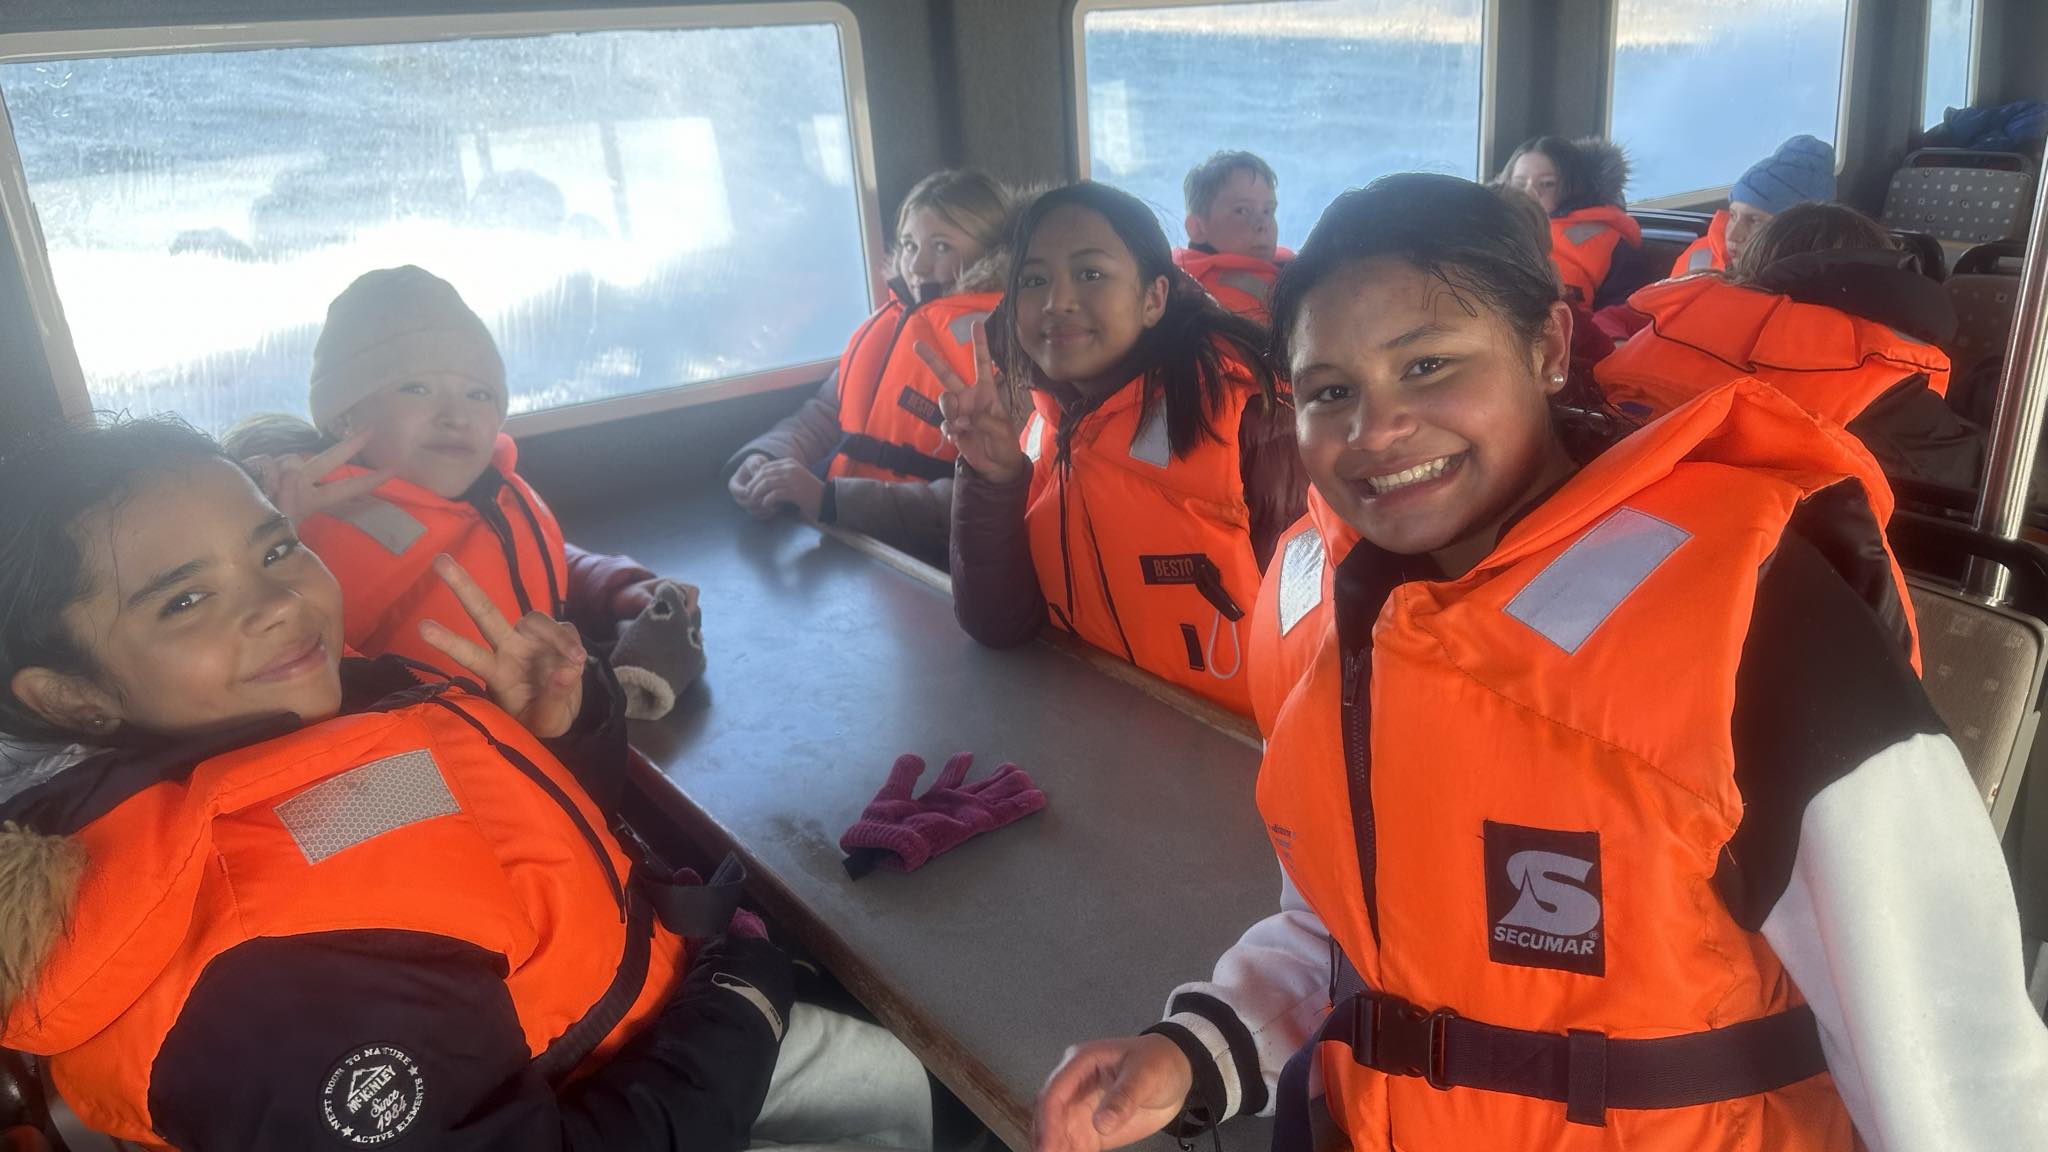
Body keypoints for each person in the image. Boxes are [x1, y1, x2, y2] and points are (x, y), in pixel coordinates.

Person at [1033, 174, 2048, 1152]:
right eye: (1329, 390)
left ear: (1550, 345)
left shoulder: (1758, 616)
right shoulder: (1327, 614)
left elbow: (1948, 1052)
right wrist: (1197, 1051)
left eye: (1427, 365)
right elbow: (1348, 930)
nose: (1374, 430)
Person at [0, 417, 936, 1151]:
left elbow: (455, 854)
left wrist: (556, 737)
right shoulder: (263, 986)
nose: (281, 601)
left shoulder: (267, 757)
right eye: (185, 599)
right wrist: (741, 1003)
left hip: (651, 1020)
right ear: (73, 698)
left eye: (276, 549)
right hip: (662, 1074)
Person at [223, 266, 702, 719]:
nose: (456, 416)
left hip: (551, 717)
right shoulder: (312, 527)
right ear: (344, 416)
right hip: (437, 751)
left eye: (479, 395)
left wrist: (611, 586)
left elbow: (530, 557)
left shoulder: (494, 489)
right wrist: (273, 542)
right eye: (416, 388)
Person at [932, 182, 1305, 718]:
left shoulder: (1254, 423)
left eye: (1090, 273)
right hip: (1090, 727)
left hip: (1235, 749)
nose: (1057, 302)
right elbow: (999, 624)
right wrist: (992, 480)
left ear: (1153, 298)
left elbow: (1328, 651)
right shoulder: (1044, 427)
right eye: (1034, 280)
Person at [726, 170, 1016, 564]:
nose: (917, 265)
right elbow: (824, 413)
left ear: (991, 253)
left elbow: (988, 495)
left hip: (931, 562)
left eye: (942, 246)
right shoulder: (888, 323)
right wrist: (766, 460)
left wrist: (829, 499)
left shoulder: (1002, 348)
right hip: (843, 536)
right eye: (910, 244)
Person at [1598, 202, 1982, 490]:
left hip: (1615, 514)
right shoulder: (1878, 380)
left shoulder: (1662, 325)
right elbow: (1966, 477)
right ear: (1880, 279)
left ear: (1753, 259)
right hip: (1777, 551)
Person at [1498, 135, 1644, 309]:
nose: (1530, 192)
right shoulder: (1486, 229)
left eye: (1547, 184)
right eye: (1519, 184)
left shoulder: (1612, 246)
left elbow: (1623, 317)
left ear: (1573, 185)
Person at [1672, 135, 1837, 276]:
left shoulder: (1819, 289)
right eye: (1733, 216)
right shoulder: (1698, 258)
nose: (1733, 235)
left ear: (1798, 233)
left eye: (1754, 220)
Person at [1172, 151, 1290, 323]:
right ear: (1197, 228)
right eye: (1242, 211)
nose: (1262, 224)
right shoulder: (1207, 298)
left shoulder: (1285, 263)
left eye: (1268, 211)